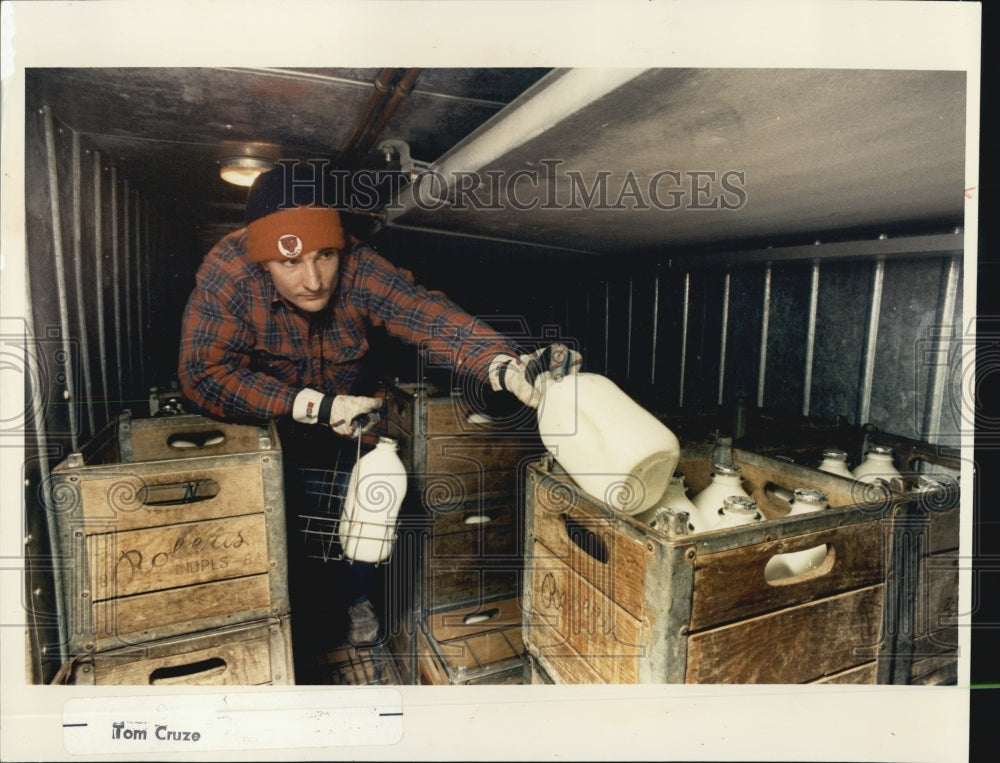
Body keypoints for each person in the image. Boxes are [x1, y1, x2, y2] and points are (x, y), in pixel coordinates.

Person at [177, 163, 580, 664]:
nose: (313, 280)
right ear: (262, 264)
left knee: (372, 509)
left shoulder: (360, 266)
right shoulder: (228, 275)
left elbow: (422, 312)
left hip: (356, 418)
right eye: (292, 264)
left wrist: (500, 364)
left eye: (325, 256)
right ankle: (292, 615)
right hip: (275, 424)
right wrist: (313, 406)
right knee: (287, 533)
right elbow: (202, 375)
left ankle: (357, 598)